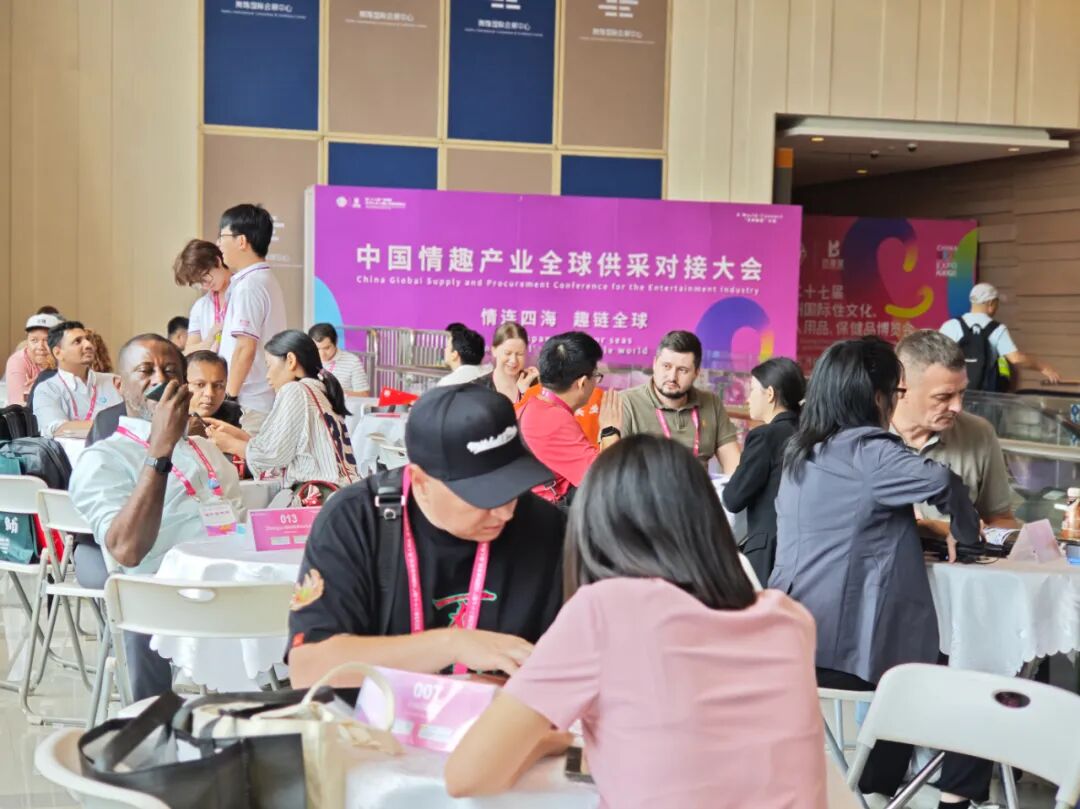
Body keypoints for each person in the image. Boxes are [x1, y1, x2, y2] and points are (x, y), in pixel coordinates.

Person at [446, 435, 825, 807]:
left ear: (594, 530)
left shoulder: (604, 611)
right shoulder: (788, 619)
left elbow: (467, 775)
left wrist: (547, 742)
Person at [769, 338, 990, 808]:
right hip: (842, 654)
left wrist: (919, 529)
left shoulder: (803, 451)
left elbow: (848, 524)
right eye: (897, 391)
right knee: (974, 674)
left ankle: (879, 783)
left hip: (792, 639)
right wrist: (966, 536)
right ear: (877, 397)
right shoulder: (870, 452)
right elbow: (944, 482)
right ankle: (951, 801)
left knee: (916, 657)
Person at [287, 383, 565, 688]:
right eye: (484, 496)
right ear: (420, 482)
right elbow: (308, 668)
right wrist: (452, 645)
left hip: (504, 715)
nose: (505, 513)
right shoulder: (355, 520)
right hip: (376, 715)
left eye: (512, 488)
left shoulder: (546, 527)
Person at [69, 334, 245, 700]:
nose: (160, 380)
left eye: (170, 371)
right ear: (120, 385)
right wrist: (160, 449)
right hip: (162, 601)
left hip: (231, 586)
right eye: (145, 370)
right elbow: (127, 551)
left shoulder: (204, 449)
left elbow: (236, 519)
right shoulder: (104, 458)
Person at [893, 330, 1018, 536]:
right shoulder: (864, 438)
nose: (957, 407)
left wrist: (977, 534)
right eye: (943, 397)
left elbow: (1002, 519)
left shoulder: (978, 434)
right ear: (901, 388)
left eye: (962, 392)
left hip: (960, 556)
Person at [206, 330, 357, 487]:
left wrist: (229, 444)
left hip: (320, 491)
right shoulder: (320, 392)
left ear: (290, 360)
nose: (268, 376)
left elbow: (273, 455)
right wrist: (236, 434)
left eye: (269, 365)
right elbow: (278, 446)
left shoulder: (295, 390)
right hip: (342, 490)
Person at [721, 357, 805, 584]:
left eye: (752, 390)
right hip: (802, 550)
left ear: (769, 394)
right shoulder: (809, 434)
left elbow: (733, 498)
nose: (748, 398)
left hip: (767, 552)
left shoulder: (765, 436)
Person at [517, 332, 621, 507]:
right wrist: (610, 430)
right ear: (582, 382)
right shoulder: (553, 420)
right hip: (550, 515)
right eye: (596, 376)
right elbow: (605, 479)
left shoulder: (536, 405)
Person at [621, 330, 741, 474]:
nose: (672, 377)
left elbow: (733, 465)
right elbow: (614, 469)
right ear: (654, 363)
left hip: (698, 487)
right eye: (666, 366)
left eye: (682, 370)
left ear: (696, 373)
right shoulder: (626, 402)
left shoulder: (711, 403)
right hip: (647, 487)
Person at [216, 204, 287, 430]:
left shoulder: (250, 286)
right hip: (259, 400)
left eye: (222, 236)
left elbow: (245, 348)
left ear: (241, 241)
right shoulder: (263, 279)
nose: (219, 244)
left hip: (248, 405)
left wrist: (229, 398)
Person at [87, 350, 243, 447]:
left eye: (218, 386)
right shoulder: (113, 419)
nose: (209, 393)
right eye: (200, 385)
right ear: (181, 382)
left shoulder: (235, 416)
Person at [940, 282, 1060, 389]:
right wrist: (1043, 367)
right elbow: (1016, 359)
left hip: (954, 392)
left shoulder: (951, 325)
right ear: (991, 303)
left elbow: (936, 357)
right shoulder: (996, 329)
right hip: (983, 397)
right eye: (997, 304)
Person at [32, 321, 123, 438]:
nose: (88, 345)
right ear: (58, 353)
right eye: (77, 341)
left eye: (88, 339)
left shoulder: (114, 381)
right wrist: (115, 426)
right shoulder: (48, 389)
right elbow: (57, 428)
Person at [173, 239, 232, 354]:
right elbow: (188, 351)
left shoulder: (245, 292)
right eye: (199, 282)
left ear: (217, 261)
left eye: (205, 277)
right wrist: (208, 342)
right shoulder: (200, 306)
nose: (205, 285)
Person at [5, 313, 60, 406]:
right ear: (27, 341)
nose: (40, 347)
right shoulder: (18, 361)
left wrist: (41, 383)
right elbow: (20, 406)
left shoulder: (66, 358)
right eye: (34, 340)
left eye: (47, 340)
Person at [478, 322, 538, 404]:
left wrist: (528, 392)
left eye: (520, 354)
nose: (513, 360)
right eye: (507, 353)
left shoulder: (534, 383)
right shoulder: (479, 387)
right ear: (494, 350)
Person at [307, 323, 370, 397]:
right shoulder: (307, 360)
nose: (322, 354)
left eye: (327, 348)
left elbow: (365, 394)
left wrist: (339, 393)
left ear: (336, 342)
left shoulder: (353, 362)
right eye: (317, 349)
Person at [438, 322, 488, 387]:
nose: (444, 350)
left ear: (454, 354)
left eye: (446, 347)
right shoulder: (488, 374)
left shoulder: (446, 383)